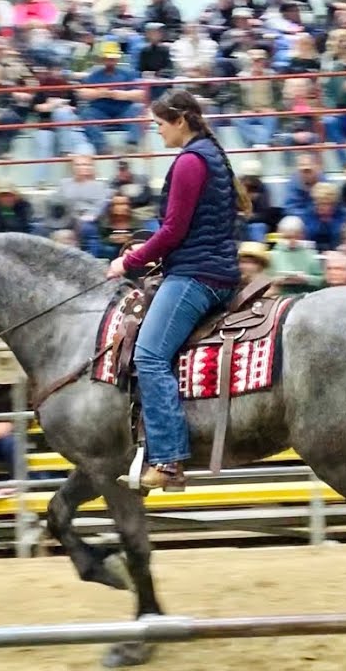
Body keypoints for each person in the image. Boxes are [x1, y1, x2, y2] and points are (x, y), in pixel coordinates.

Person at [104, 90, 249, 491]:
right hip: (216, 269)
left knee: (149, 356)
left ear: (181, 120)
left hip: (197, 276)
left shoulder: (188, 161)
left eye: (161, 124)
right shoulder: (212, 155)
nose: (157, 130)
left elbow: (173, 231)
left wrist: (128, 262)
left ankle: (168, 460)